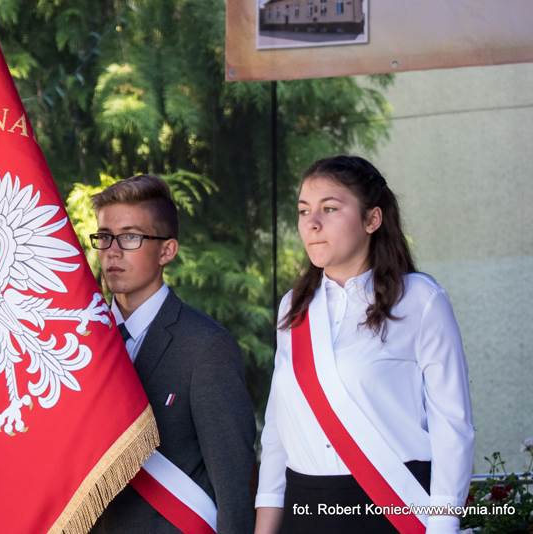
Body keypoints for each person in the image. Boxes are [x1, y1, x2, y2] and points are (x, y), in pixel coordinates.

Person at [254, 156, 474, 534]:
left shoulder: (420, 299)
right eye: (304, 211)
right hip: (304, 510)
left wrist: (442, 524)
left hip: (393, 509)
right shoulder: (294, 306)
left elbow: (452, 425)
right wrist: (266, 525)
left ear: (372, 220)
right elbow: (278, 427)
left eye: (330, 209)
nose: (312, 223)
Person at [89, 174, 255, 533]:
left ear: (167, 251)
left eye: (130, 237)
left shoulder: (206, 347)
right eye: (104, 236)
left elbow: (234, 488)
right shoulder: (82, 342)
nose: (112, 251)